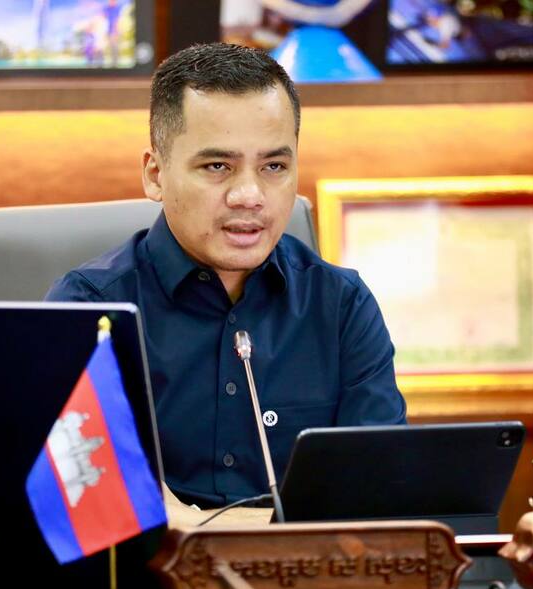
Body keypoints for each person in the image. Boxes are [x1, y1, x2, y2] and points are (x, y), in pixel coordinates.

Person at [46, 43, 406, 509]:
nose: (249, 195)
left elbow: (379, 499)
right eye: (218, 166)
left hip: (304, 557)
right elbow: (82, 507)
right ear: (155, 174)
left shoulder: (341, 305)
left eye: (274, 167)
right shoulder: (90, 310)